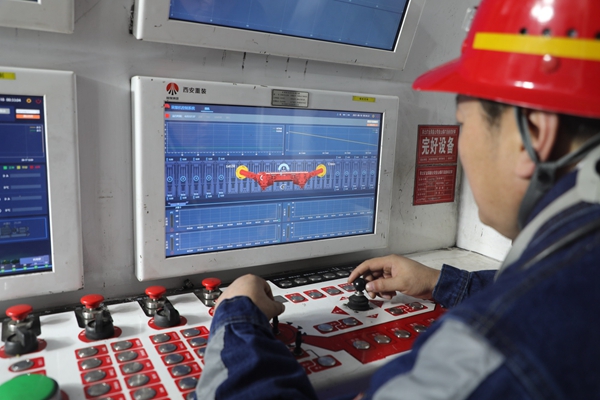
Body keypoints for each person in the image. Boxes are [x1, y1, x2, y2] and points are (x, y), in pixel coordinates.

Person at [195, 0, 600, 398]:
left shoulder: (492, 352)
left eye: (463, 124)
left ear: (532, 134)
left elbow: (531, 314)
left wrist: (237, 319)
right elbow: (554, 292)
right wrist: (444, 283)